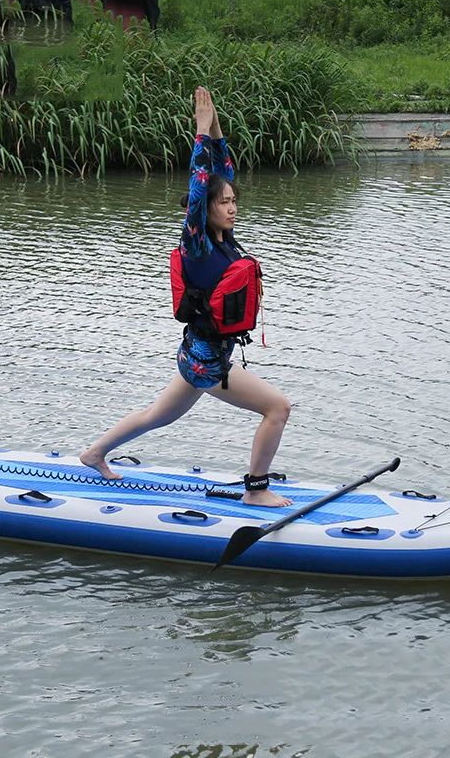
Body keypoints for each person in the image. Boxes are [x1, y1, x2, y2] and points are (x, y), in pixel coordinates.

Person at [80, 87, 292, 507]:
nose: (232, 207)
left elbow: (222, 171)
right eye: (224, 203)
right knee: (278, 408)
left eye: (234, 201)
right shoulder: (197, 244)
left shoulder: (225, 238)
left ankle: (94, 453)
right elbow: (199, 189)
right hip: (207, 363)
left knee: (156, 416)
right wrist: (199, 134)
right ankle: (256, 490)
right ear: (207, 209)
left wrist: (215, 129)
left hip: (198, 354)